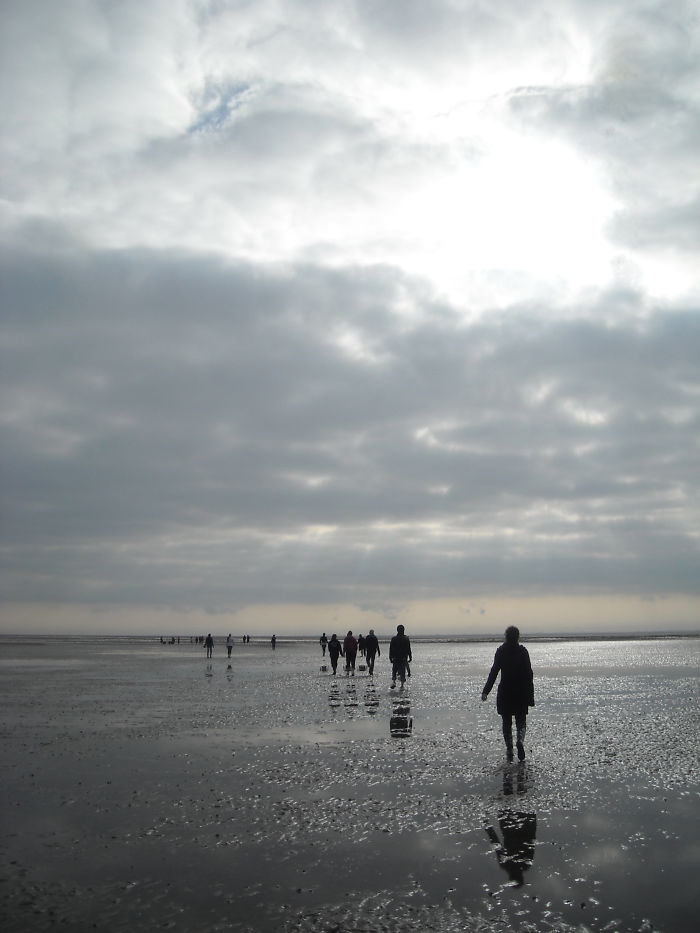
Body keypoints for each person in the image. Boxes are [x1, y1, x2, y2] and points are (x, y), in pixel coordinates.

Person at [481, 626, 534, 761]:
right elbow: (529, 674)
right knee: (521, 721)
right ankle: (520, 741)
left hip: (505, 691)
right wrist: (530, 696)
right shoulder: (523, 652)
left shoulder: (501, 651)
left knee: (506, 722)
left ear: (506, 636)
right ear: (518, 637)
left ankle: (509, 748)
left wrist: (486, 691)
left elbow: (494, 672)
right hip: (520, 692)